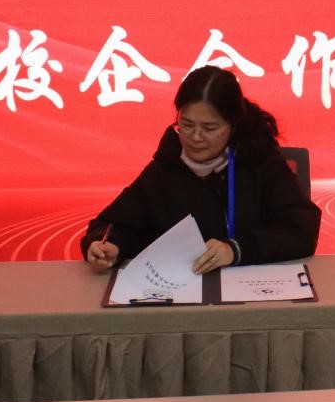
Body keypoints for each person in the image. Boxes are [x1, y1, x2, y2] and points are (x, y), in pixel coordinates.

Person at [81, 65, 321, 275]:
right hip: (182, 295)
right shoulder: (166, 166)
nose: (195, 137)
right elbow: (114, 225)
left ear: (233, 126)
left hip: (252, 293)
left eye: (209, 128)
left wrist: (236, 250)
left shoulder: (261, 162)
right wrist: (109, 246)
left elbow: (301, 230)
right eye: (186, 125)